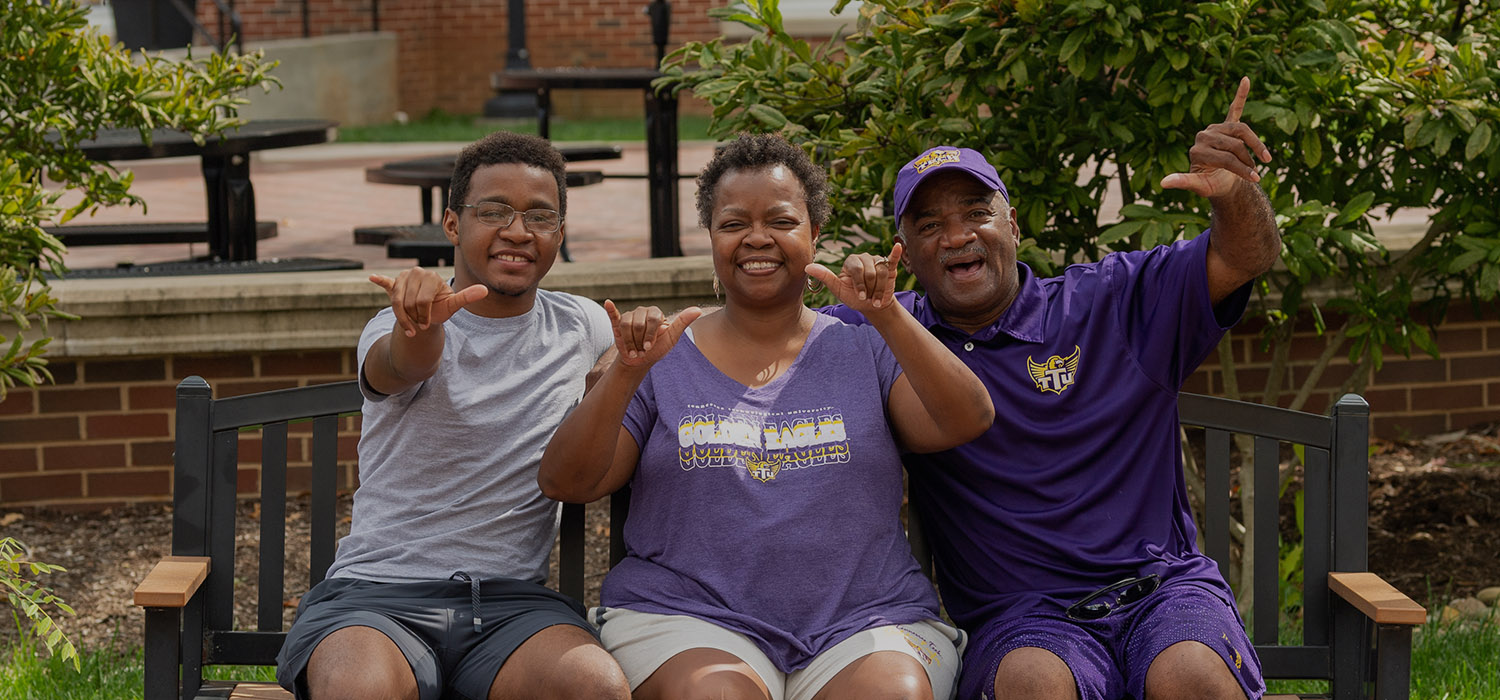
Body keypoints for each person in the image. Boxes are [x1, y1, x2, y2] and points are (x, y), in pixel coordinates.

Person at [822, 78, 1281, 700]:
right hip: (1022, 619)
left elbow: (1244, 257)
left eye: (977, 214)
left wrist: (1235, 195)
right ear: (905, 251)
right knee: (1034, 684)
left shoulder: (1114, 301)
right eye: (930, 224)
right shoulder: (886, 334)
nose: (957, 236)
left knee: (1192, 674)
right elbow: (760, 352)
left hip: (1162, 589)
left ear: (1012, 224)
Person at [537, 133, 996, 700]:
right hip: (689, 619)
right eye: (733, 223)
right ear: (710, 236)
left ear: (814, 234)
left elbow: (966, 420)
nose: (757, 238)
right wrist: (626, 373)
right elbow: (567, 482)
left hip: (866, 620)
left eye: (780, 220)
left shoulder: (864, 344)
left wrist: (886, 317)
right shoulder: (663, 354)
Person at [275, 131, 630, 700]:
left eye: (540, 216)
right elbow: (402, 364)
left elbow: (635, 360)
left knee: (595, 686)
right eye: (493, 212)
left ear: (559, 234)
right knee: (356, 690)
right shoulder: (394, 325)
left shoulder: (580, 324)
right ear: (451, 225)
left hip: (510, 607)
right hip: (377, 598)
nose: (517, 231)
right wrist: (422, 324)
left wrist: (620, 364)